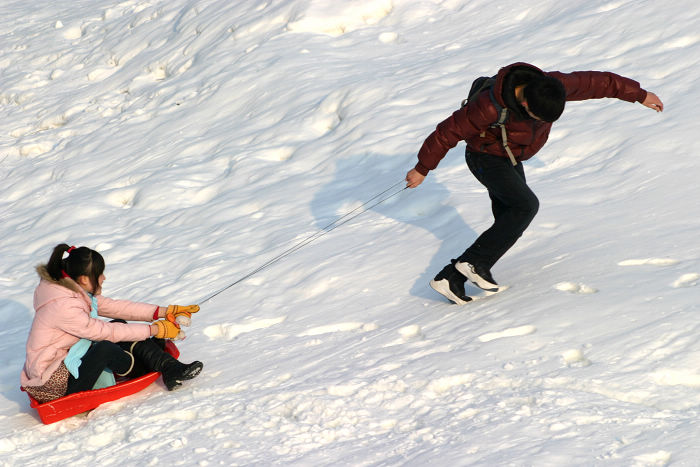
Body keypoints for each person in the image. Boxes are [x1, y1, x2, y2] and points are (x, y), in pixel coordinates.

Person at [405, 62, 664, 305]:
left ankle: (451, 278)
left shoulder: (553, 85)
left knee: (510, 219)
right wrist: (422, 168)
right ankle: (474, 263)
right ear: (525, 101)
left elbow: (597, 83)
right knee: (525, 207)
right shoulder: (489, 107)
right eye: (534, 116)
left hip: (509, 157)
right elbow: (446, 133)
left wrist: (640, 95)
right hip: (484, 157)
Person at [21, 244, 204, 403]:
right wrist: (155, 329)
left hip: (63, 363)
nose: (104, 278)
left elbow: (114, 307)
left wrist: (163, 311)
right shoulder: (63, 305)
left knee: (119, 324)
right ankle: (159, 366)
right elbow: (104, 332)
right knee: (106, 348)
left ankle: (167, 366)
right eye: (100, 274)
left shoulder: (68, 291)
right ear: (84, 279)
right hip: (52, 384)